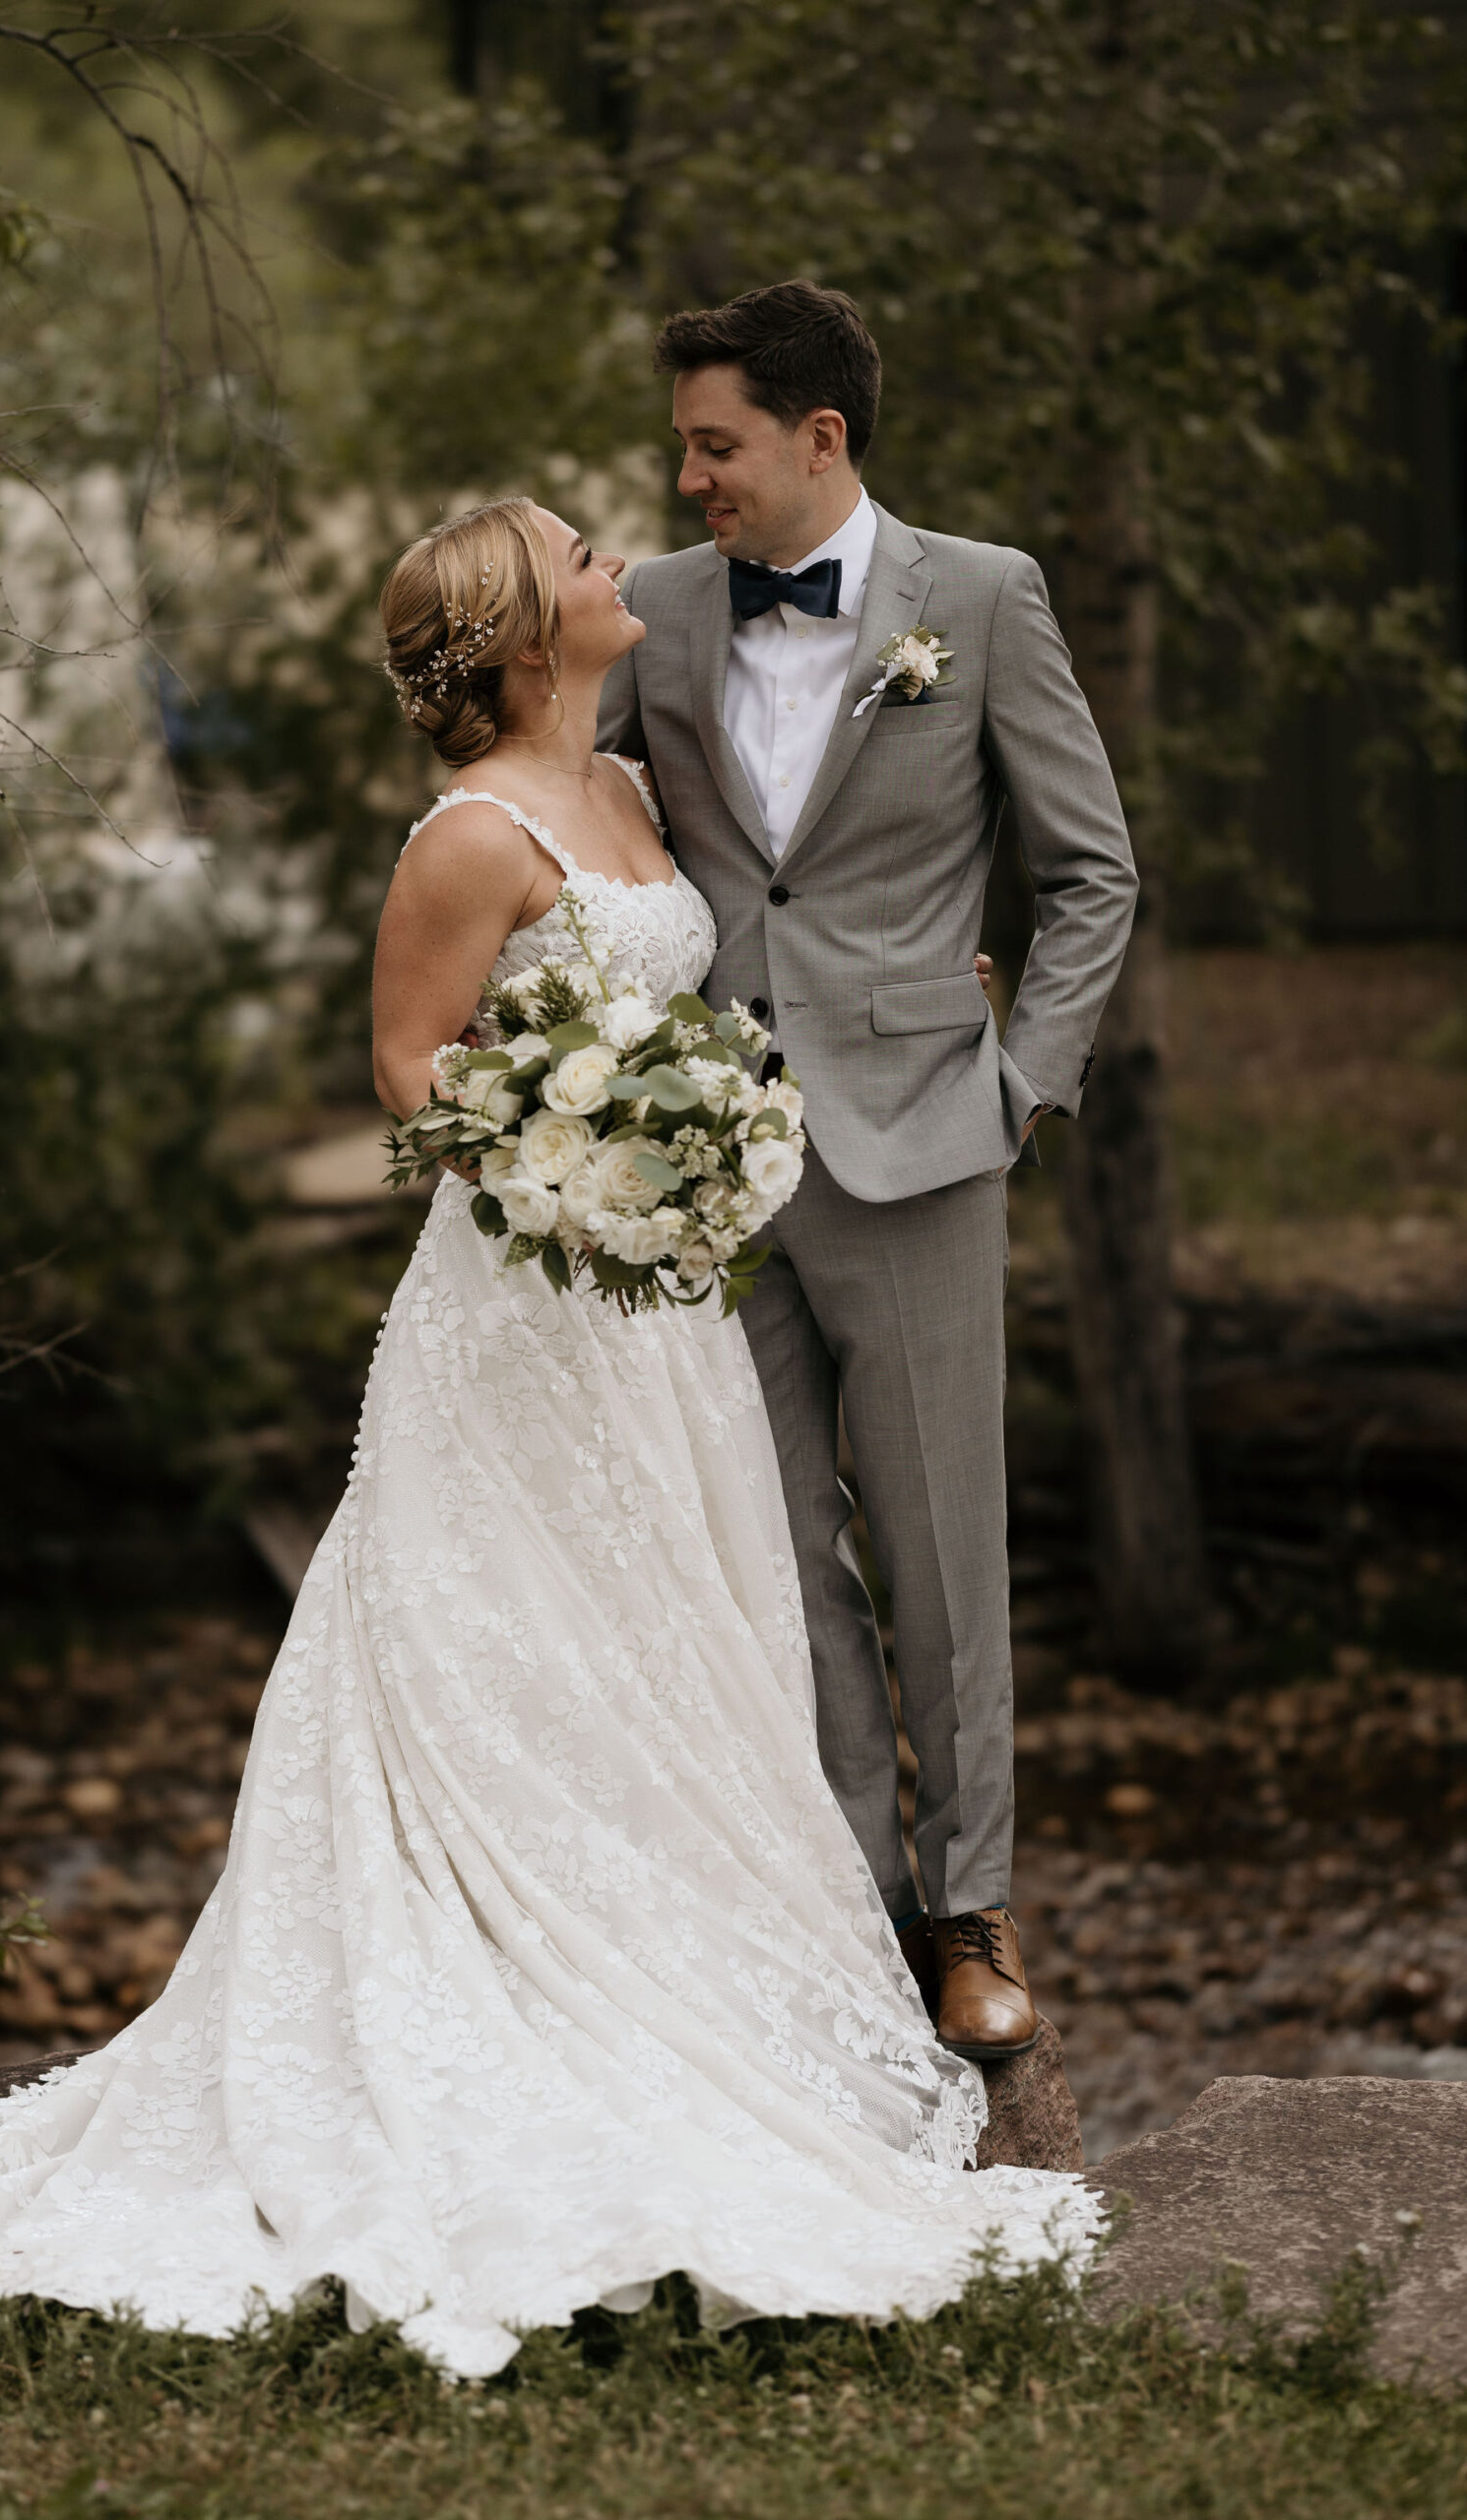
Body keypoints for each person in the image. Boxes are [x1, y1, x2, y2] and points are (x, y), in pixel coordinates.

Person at [0, 495, 1097, 2379]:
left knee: (680, 1655)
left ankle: (712, 1985)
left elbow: (744, 972)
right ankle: (486, 1998)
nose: (620, 569)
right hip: (525, 1311)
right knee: (506, 1648)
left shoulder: (641, 802)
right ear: (519, 634)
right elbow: (411, 1066)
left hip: (659, 1320)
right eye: (582, 559)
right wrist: (572, 1164)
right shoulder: (468, 836)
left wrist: (813, 1072)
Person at [598, 281, 1138, 2061]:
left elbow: (1089, 876)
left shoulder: (978, 598)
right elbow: (580, 834)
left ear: (821, 437)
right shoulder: (654, 614)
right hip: (702, 1164)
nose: (690, 479)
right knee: (778, 1552)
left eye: (716, 442)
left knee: (936, 1549)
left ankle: (974, 1910)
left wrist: (1021, 1092)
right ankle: (855, 1913)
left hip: (920, 1147)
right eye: (686, 443)